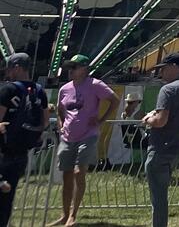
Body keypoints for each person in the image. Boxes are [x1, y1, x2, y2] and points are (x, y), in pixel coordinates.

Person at [52, 53, 115, 227]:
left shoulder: (95, 85)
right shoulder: (64, 89)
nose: (70, 71)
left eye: (74, 67)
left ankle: (73, 214)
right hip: (68, 137)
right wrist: (61, 125)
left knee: (79, 172)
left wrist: (101, 120)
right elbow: (60, 110)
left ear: (84, 69)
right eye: (69, 68)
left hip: (88, 135)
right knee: (67, 176)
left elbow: (114, 101)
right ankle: (64, 215)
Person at [142, 53, 179, 227]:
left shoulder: (168, 89)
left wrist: (147, 119)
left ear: (175, 67)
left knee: (158, 198)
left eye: (164, 68)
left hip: (160, 148)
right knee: (161, 195)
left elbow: (160, 121)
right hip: (177, 148)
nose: (162, 73)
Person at [0, 52, 50, 227]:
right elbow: (44, 122)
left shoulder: (9, 89)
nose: (7, 72)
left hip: (2, 151)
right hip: (22, 152)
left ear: (17, 68)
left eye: (9, 68)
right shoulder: (39, 91)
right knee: (7, 197)